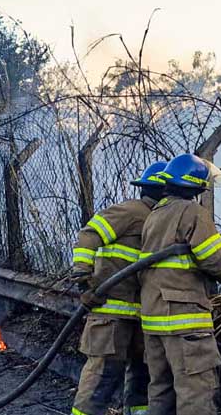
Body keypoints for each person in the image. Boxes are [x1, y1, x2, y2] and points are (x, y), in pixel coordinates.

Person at [137, 154, 221, 415]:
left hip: (153, 320)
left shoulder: (155, 214)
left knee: (161, 390)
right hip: (184, 320)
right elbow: (213, 261)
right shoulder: (193, 212)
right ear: (196, 185)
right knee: (196, 390)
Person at [69, 161, 169, 415]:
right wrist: (83, 273)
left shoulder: (165, 220)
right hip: (112, 312)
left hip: (144, 314)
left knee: (142, 376)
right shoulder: (129, 211)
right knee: (103, 375)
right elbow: (89, 234)